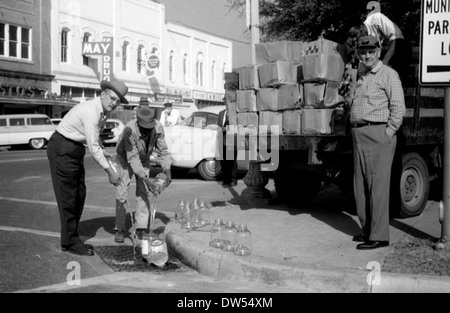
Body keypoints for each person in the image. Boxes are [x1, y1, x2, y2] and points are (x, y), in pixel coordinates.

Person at [47, 80, 128, 256]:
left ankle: (69, 239)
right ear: (103, 95)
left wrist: (105, 152)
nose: (114, 103)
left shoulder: (102, 111)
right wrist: (109, 171)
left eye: (118, 101)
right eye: (112, 98)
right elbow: (92, 146)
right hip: (63, 147)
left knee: (79, 195)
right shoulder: (92, 112)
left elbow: (95, 137)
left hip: (74, 149)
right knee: (69, 197)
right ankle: (71, 242)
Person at [349, 36, 405, 250]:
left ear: (379, 51)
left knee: (378, 187)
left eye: (371, 51)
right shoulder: (361, 76)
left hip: (378, 134)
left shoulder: (388, 75)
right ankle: (367, 231)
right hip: (358, 135)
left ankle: (379, 236)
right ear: (358, 54)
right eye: (363, 52)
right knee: (361, 187)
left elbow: (398, 109)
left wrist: (387, 134)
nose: (367, 55)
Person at [114, 106, 172, 243]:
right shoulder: (129, 130)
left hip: (144, 157)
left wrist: (168, 171)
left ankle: (141, 228)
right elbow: (133, 158)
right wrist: (147, 180)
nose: (147, 129)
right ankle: (119, 229)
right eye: (144, 127)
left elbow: (163, 151)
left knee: (143, 192)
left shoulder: (158, 127)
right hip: (125, 157)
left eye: (149, 127)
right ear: (138, 123)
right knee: (122, 192)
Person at [347, 2, 411, 80]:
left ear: (361, 27)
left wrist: (385, 61)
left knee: (399, 45)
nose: (354, 39)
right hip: (382, 57)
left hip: (399, 51)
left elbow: (397, 37)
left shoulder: (376, 18)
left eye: (355, 35)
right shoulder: (361, 42)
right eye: (351, 37)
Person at [218, 99, 238, 187]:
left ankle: (233, 180)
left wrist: (226, 129)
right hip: (222, 140)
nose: (227, 105)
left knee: (232, 161)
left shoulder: (235, 114)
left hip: (232, 140)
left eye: (228, 103)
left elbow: (238, 127)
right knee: (224, 162)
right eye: (226, 103)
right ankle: (226, 180)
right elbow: (218, 126)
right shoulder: (221, 113)